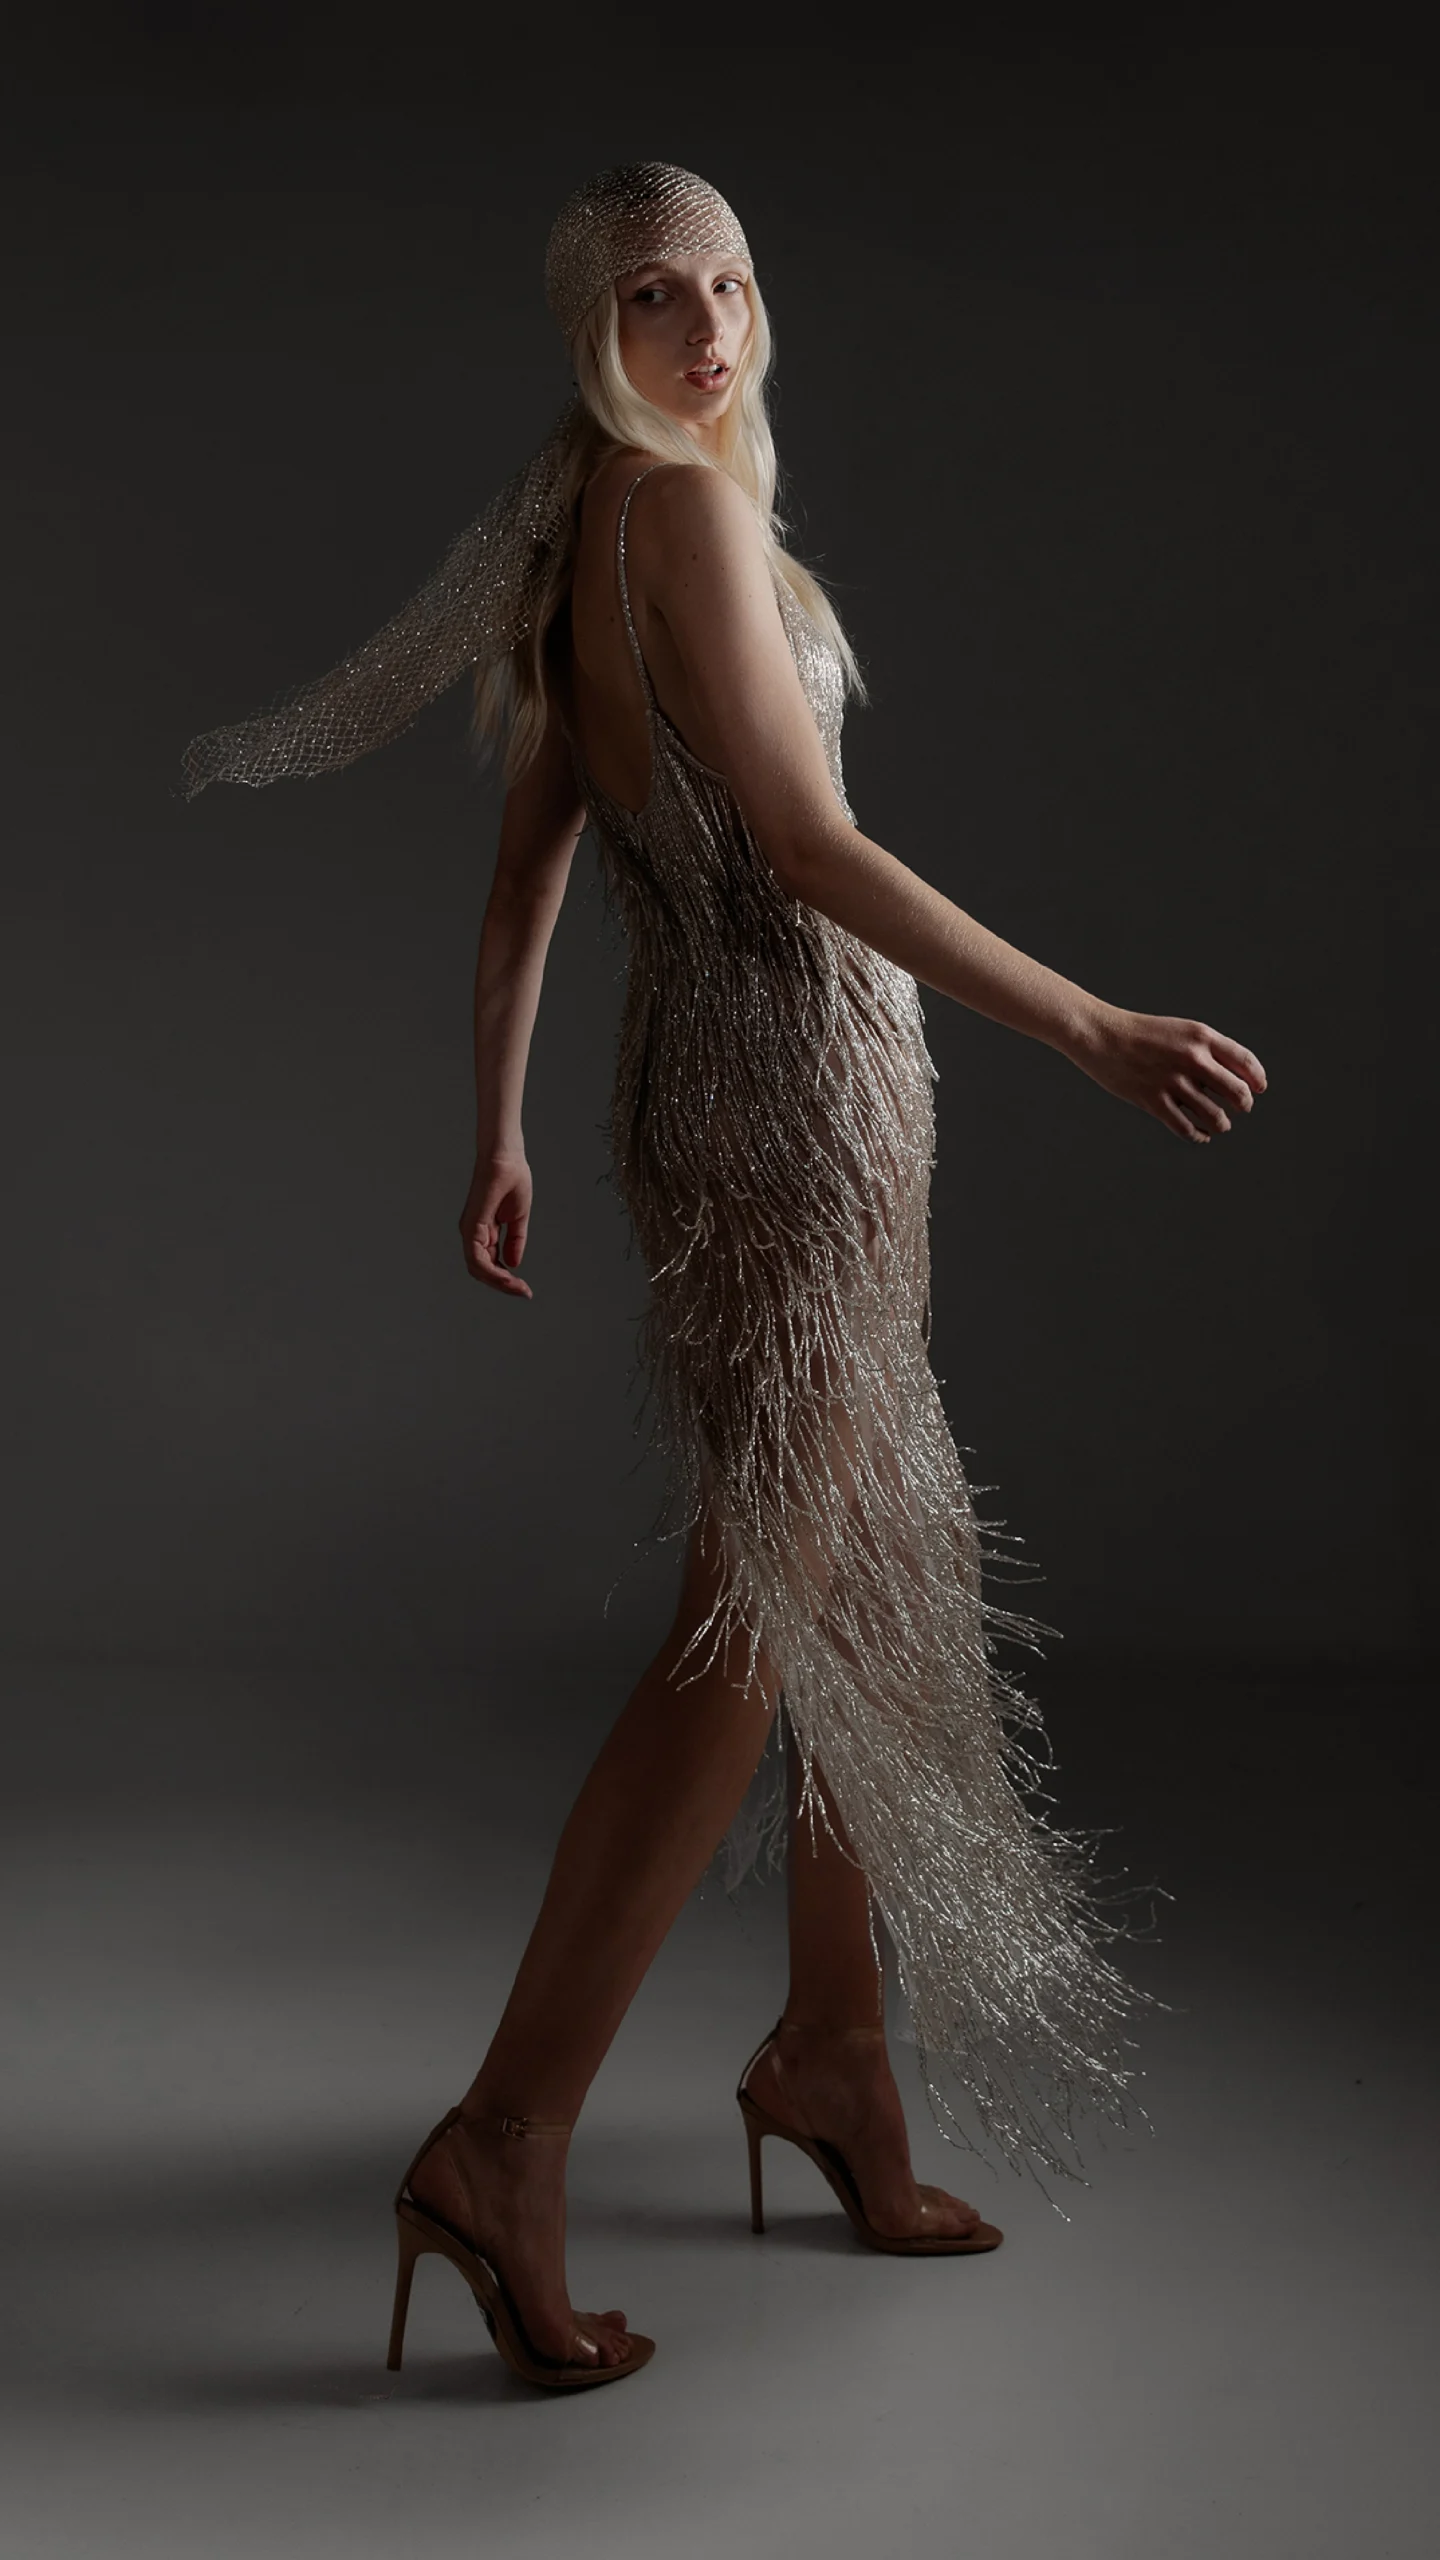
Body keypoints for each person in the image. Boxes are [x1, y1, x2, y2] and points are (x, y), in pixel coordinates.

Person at [184, 164, 1267, 2393]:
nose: (712, 328)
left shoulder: (575, 521)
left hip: (703, 1091)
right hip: (799, 1090)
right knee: (756, 1621)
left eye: (738, 286)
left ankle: (836, 2057)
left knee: (861, 1576)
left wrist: (498, 1127)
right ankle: (501, 2141)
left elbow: (528, 876)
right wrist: (1093, 1026)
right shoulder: (674, 511)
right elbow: (807, 843)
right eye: (661, 292)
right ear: (593, 319)